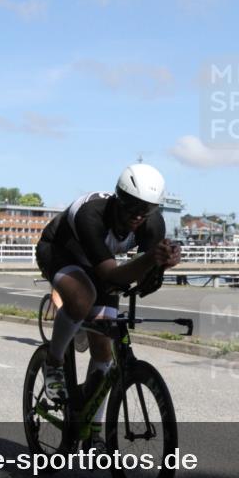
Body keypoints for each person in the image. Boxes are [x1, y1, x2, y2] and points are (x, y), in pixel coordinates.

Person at [35, 164, 181, 450]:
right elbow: (110, 276)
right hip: (61, 251)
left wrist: (161, 264)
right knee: (81, 298)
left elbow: (143, 281)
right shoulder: (92, 215)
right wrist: (151, 258)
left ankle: (93, 429)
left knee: (104, 352)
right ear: (118, 197)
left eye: (147, 209)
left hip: (101, 264)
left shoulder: (153, 224)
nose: (139, 215)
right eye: (132, 207)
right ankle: (53, 361)